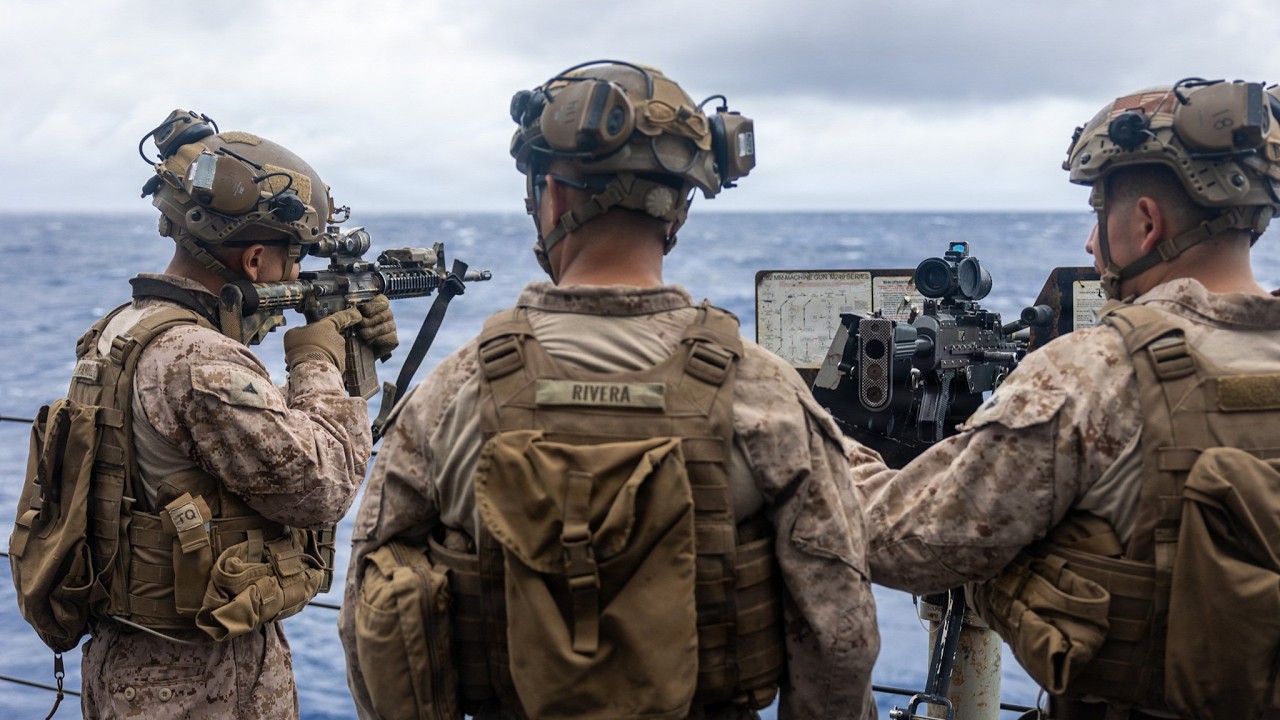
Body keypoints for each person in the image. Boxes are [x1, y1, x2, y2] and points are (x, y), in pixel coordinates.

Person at [339, 61, 879, 720]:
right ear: (678, 207)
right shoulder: (764, 391)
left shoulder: (451, 392)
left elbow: (370, 613)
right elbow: (839, 634)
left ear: (553, 199)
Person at [850, 79, 1280, 718]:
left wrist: (828, 446)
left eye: (1096, 212)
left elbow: (904, 540)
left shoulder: (1094, 370)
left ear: (1145, 221)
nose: (1089, 243)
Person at [38, 110, 395, 718]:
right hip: (204, 678)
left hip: (133, 657)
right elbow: (322, 487)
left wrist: (342, 343)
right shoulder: (201, 360)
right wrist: (320, 363)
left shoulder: (124, 330)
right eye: (293, 260)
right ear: (254, 263)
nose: (298, 277)